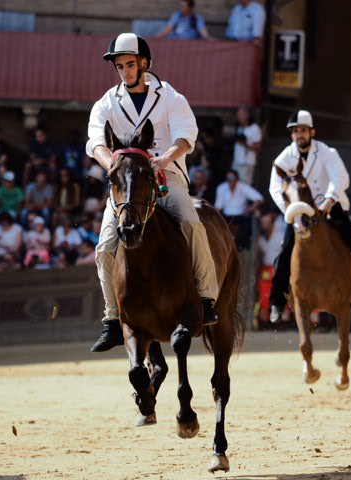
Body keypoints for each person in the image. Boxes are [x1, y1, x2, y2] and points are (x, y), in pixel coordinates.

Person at [85, 32, 219, 351]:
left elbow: (186, 137)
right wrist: (113, 164)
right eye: (120, 66)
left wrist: (165, 159)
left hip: (165, 175)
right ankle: (112, 318)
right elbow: (96, 142)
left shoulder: (171, 97)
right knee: (104, 247)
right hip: (127, 181)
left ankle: (206, 298)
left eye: (130, 64)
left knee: (192, 224)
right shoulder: (107, 102)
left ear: (144, 63)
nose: (125, 71)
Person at [268, 110, 351, 322]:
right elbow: (274, 187)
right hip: (299, 210)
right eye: (295, 131)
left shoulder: (327, 152)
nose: (299, 135)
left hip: (329, 204)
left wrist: (329, 200)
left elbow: (341, 178)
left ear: (312, 131)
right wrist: (290, 210)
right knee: (285, 251)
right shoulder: (284, 158)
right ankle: (276, 302)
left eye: (303, 130)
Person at [214, 169, 263, 249]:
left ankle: (243, 249)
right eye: (228, 178)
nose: (230, 181)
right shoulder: (221, 188)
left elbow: (259, 198)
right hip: (226, 218)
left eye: (232, 178)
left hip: (241, 218)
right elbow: (218, 207)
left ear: (236, 179)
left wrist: (250, 208)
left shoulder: (243, 187)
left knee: (243, 232)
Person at [256, 211, 284, 324]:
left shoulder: (280, 237)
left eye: (266, 222)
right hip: (266, 269)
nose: (264, 225)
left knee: (281, 292)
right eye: (262, 222)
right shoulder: (260, 238)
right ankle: (265, 320)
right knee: (264, 293)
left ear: (272, 223)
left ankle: (283, 320)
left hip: (278, 268)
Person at [231, 106, 262, 185]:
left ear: (247, 115)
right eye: (238, 115)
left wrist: (244, 144)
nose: (238, 117)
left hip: (247, 164)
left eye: (240, 115)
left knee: (244, 186)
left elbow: (258, 147)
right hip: (237, 162)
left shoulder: (254, 128)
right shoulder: (240, 128)